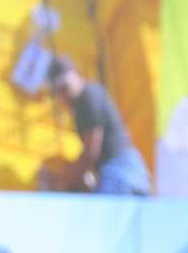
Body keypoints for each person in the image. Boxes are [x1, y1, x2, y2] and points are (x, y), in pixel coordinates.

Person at [45, 55, 151, 195]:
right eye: (59, 91)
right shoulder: (84, 101)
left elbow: (91, 152)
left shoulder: (88, 97)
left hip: (120, 172)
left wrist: (65, 181)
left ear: (77, 75)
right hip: (126, 172)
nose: (64, 94)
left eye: (66, 86)